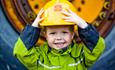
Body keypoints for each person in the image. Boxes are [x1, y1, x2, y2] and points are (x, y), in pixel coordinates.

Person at [13, 1, 105, 70]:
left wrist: (82, 24)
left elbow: (97, 47)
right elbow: (21, 51)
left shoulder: (80, 56)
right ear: (45, 35)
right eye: (52, 33)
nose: (59, 38)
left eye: (64, 32)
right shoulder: (40, 58)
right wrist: (34, 27)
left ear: (72, 34)